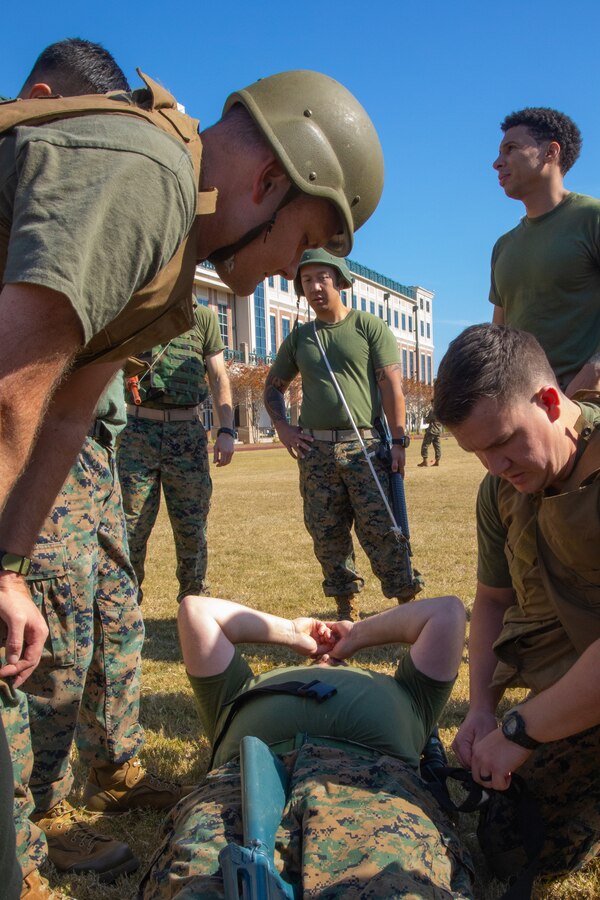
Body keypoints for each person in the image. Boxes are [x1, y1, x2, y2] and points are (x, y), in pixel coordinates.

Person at [0, 55, 384, 776]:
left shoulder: (175, 260)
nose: (288, 276)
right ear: (269, 181)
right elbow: (10, 393)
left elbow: (65, 416)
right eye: (299, 244)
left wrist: (10, 568)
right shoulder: (148, 178)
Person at [1, 39, 191, 900]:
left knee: (113, 609)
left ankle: (111, 765)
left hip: (96, 443)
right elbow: (19, 389)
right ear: (44, 97)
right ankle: (26, 833)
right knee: (44, 629)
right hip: (43, 445)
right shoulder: (76, 165)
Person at [138, 593, 472, 899]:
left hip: (373, 790)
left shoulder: (409, 694)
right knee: (203, 881)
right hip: (244, 788)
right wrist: (292, 632)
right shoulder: (242, 687)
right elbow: (196, 611)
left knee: (394, 885)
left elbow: (447, 613)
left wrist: (356, 634)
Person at [433, 323, 600, 882]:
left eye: (503, 442)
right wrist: (483, 707)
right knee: (510, 847)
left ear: (551, 401)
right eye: (479, 453)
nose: (496, 467)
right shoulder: (501, 491)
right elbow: (493, 600)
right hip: (579, 692)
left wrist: (521, 728)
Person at [263, 249, 422, 621]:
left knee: (383, 529)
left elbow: (391, 387)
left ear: (340, 281)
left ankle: (407, 609)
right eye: (306, 280)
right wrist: (284, 428)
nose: (315, 286)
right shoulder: (300, 337)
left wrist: (398, 441)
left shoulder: (369, 326)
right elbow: (273, 387)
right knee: (326, 532)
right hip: (315, 452)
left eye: (323, 277)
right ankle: (345, 609)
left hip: (364, 447)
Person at [118, 301, 234, 603]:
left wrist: (226, 429)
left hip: (186, 433)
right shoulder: (134, 306)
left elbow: (218, 375)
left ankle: (193, 602)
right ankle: (125, 605)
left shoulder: (203, 317)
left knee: (192, 527)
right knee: (130, 527)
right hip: (136, 430)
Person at [490, 106, 600, 395]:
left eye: (510, 148)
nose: (497, 163)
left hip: (589, 416)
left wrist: (576, 395)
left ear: (551, 152)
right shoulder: (503, 246)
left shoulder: (592, 218)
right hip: (526, 416)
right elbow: (499, 339)